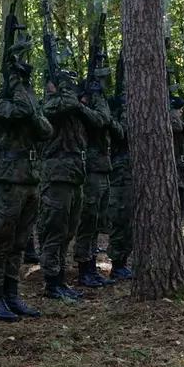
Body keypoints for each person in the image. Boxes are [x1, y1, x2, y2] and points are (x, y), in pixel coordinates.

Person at [0, 57, 52, 321]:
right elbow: (22, 110)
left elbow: (46, 130)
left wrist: (29, 104)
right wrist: (14, 84)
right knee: (2, 242)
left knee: (19, 243)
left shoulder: (29, 109)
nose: (26, 86)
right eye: (21, 80)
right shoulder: (0, 104)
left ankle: (12, 295)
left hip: (30, 181)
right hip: (8, 182)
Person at [38, 75, 105, 300]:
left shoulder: (73, 107)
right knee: (54, 231)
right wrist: (66, 88)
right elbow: (64, 104)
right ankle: (51, 281)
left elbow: (100, 120)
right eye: (66, 83)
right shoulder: (51, 104)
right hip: (57, 176)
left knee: (68, 232)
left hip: (76, 176)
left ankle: (60, 279)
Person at [73, 80, 119, 287]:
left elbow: (109, 122)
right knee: (87, 223)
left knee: (96, 225)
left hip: (101, 170)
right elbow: (101, 120)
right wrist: (97, 98)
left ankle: (91, 268)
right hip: (89, 172)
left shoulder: (92, 110)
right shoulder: (81, 111)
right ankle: (84, 269)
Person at [106, 100, 132, 279]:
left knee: (129, 221)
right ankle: (117, 263)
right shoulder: (113, 118)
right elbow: (123, 133)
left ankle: (123, 261)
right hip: (119, 173)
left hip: (129, 172)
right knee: (120, 220)